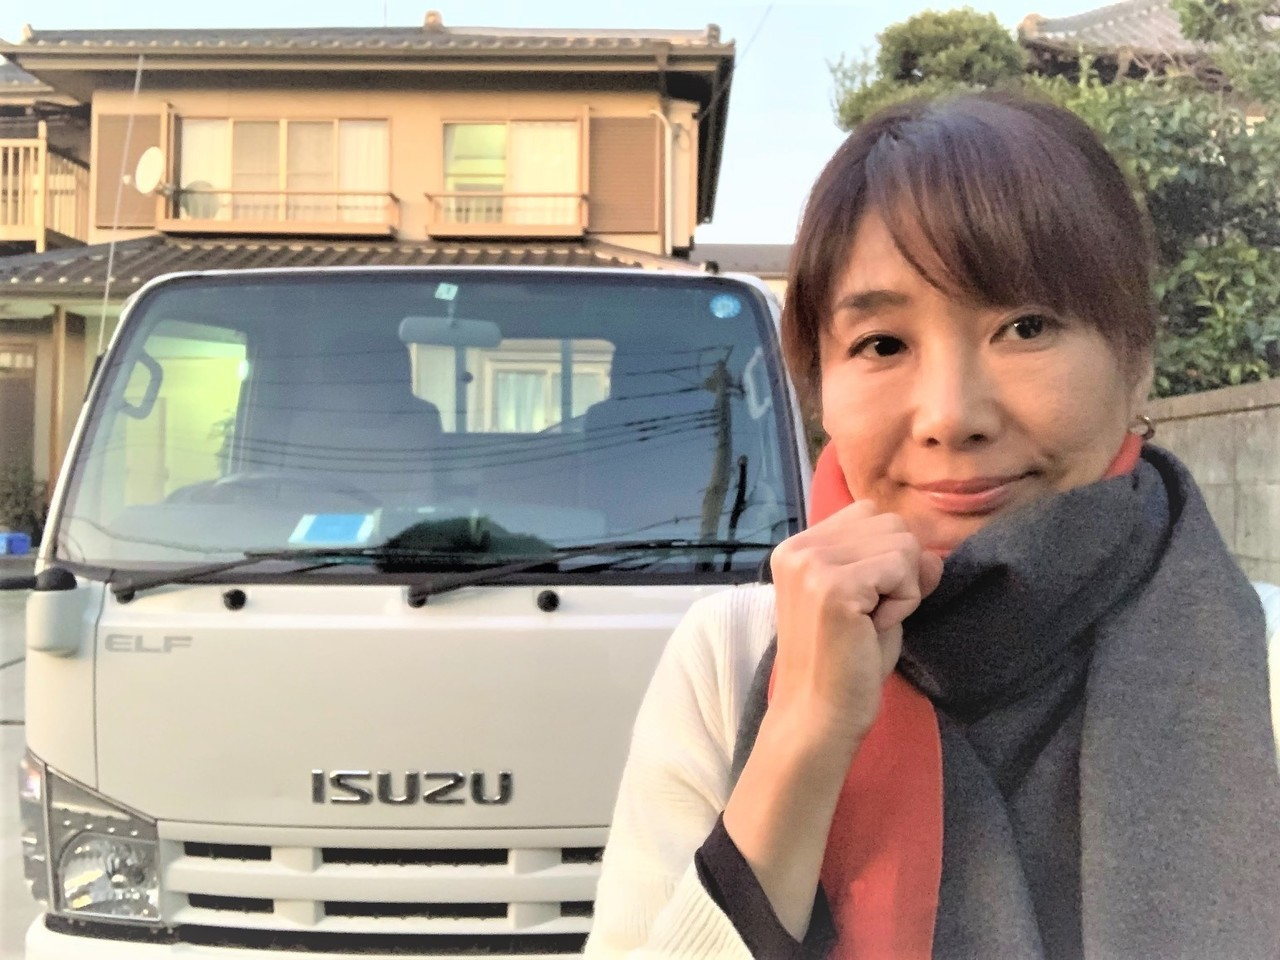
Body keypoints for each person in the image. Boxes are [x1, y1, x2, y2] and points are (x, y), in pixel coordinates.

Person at [585, 91, 1280, 960]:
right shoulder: (729, 658)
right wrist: (802, 732)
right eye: (882, 344)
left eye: (1025, 327)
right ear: (819, 390)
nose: (952, 416)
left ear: (1136, 362)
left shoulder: (1259, 665)